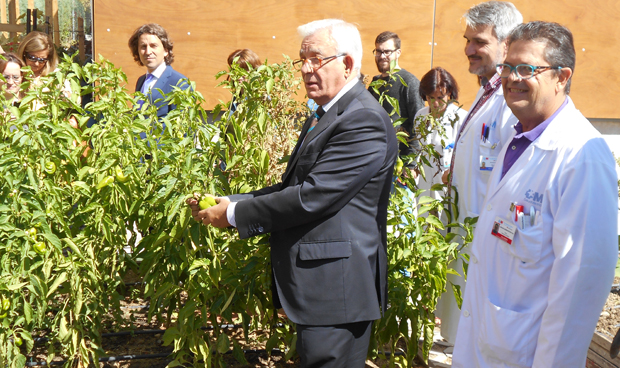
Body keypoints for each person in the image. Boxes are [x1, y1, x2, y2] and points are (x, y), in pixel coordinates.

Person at [188, 19, 397, 367]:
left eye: (316, 59)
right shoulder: (328, 113)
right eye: (302, 59)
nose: (305, 69)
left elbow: (312, 196)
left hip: (336, 290)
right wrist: (235, 202)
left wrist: (233, 215)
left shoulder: (362, 119)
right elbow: (294, 187)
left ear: (346, 64)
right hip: (325, 290)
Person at [452, 21, 618, 367]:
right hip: (488, 343)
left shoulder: (580, 157)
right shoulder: (516, 140)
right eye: (507, 67)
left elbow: (580, 284)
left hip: (525, 354)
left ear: (562, 77)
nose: (512, 78)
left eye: (527, 68)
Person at [438, 0, 522, 344]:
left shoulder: (510, 99)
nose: (468, 49)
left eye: (480, 42)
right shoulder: (486, 92)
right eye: (467, 39)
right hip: (465, 229)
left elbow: (512, 177)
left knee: (478, 331)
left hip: (484, 237)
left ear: (507, 43)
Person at [369, 31, 424, 167]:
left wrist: (410, 165)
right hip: (375, 162)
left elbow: (419, 126)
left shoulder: (409, 82)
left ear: (398, 53)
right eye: (378, 51)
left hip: (399, 167)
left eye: (387, 52)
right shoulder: (375, 84)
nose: (382, 56)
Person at [413, 67, 467, 200]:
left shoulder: (460, 118)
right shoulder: (421, 116)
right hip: (425, 188)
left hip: (448, 190)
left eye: (440, 97)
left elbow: (466, 157)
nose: (435, 103)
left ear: (449, 94)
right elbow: (420, 150)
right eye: (430, 98)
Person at [128, 23, 189, 118]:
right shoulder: (141, 81)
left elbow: (183, 127)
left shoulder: (179, 83)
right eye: (143, 46)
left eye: (153, 46)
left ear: (166, 50)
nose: (148, 52)